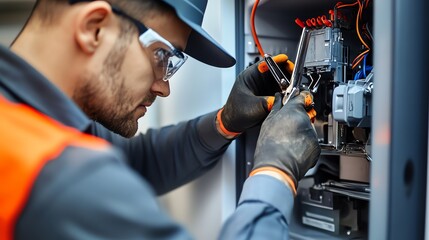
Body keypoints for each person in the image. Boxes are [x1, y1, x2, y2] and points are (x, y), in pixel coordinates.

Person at [0, 0, 320, 239]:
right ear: (94, 28)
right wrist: (276, 172)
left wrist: (225, 121)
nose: (164, 88)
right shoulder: (57, 175)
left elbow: (137, 161)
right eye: (162, 56)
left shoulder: (23, 118)